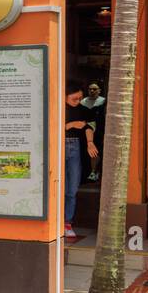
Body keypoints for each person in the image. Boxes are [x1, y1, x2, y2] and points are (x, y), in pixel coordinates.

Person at [64, 82, 99, 240]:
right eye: (74, 99)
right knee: (57, 187)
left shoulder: (83, 110)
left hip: (76, 148)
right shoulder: (57, 109)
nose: (77, 101)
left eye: (80, 98)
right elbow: (48, 127)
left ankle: (67, 223)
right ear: (65, 96)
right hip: (58, 147)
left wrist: (90, 142)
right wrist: (70, 125)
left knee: (72, 189)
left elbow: (88, 127)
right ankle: (55, 221)